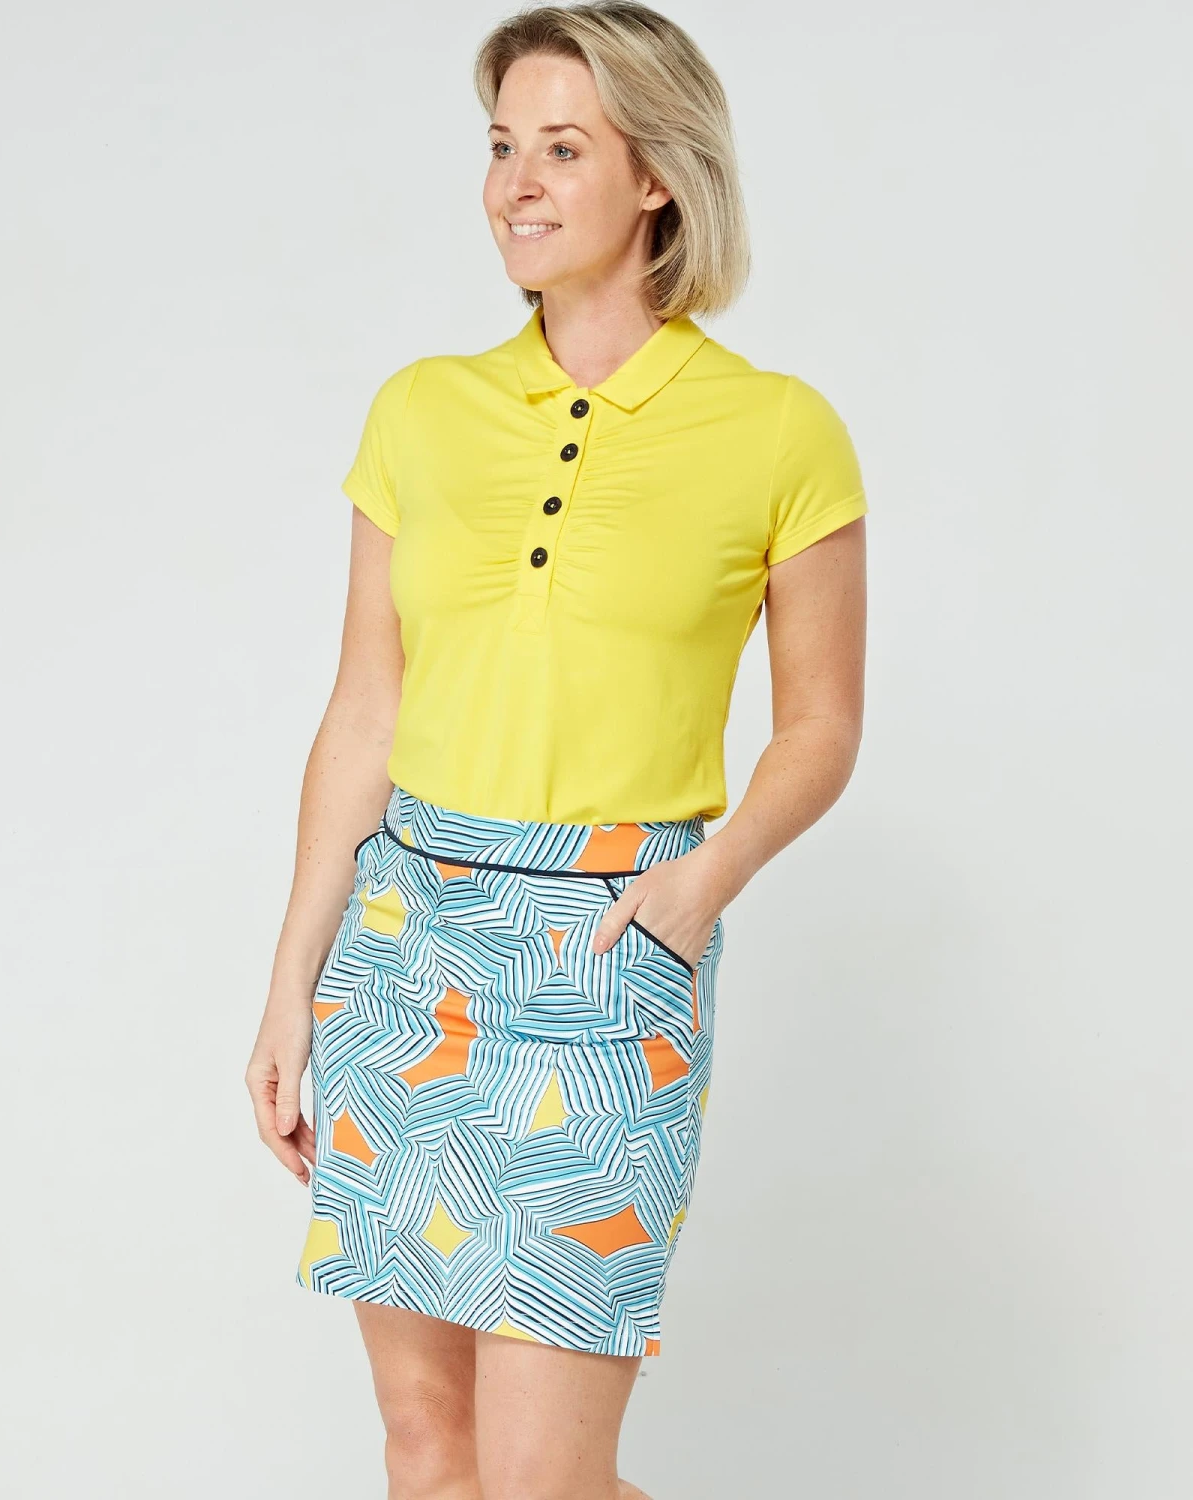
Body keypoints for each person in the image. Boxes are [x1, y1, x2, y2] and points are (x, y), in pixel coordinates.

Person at [244, 3, 868, 1495]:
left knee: (542, 1480)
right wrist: (291, 983)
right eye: (502, 146)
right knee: (428, 1447)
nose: (515, 185)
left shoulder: (779, 431)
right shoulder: (422, 411)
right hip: (408, 954)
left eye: (563, 149)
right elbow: (366, 710)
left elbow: (822, 727)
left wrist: (697, 887)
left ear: (657, 176)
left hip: (609, 947)